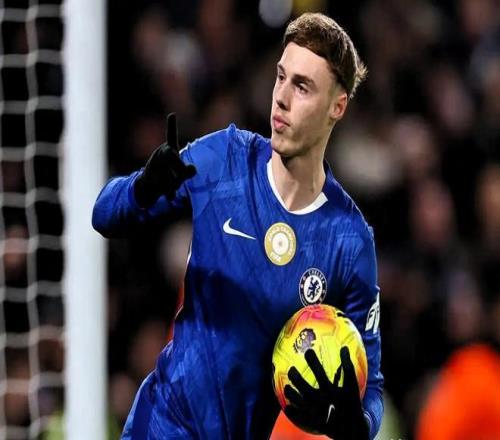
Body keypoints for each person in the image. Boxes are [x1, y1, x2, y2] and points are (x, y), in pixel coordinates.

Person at [93, 12, 383, 439]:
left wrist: (356, 425)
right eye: (280, 77)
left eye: (302, 86)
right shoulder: (224, 159)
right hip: (162, 424)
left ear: (336, 106)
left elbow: (371, 386)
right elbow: (103, 215)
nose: (281, 98)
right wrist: (142, 188)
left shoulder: (348, 240)